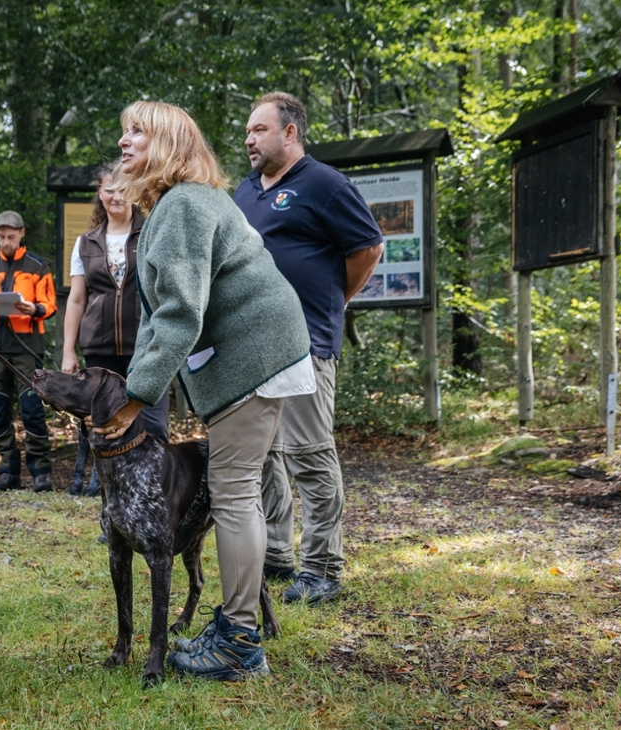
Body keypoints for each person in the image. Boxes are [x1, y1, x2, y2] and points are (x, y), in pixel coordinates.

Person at [94, 101, 314, 681]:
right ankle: (239, 625)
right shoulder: (184, 203)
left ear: (167, 143)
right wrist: (139, 382)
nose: (124, 142)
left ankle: (240, 642)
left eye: (137, 132)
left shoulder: (184, 205)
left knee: (234, 488)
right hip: (262, 352)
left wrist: (135, 397)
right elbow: (158, 318)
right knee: (236, 484)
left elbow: (178, 314)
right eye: (123, 132)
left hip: (256, 354)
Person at [233, 92, 384, 606]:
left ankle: (322, 568)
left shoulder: (324, 183)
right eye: (248, 132)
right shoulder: (245, 191)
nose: (248, 139)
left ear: (290, 132)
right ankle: (277, 553)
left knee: (309, 455)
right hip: (253, 346)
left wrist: (333, 300)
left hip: (306, 342)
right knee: (265, 455)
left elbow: (368, 248)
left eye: (258, 130)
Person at [61, 164, 170, 497]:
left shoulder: (152, 232)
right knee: (105, 430)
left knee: (152, 426)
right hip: (100, 349)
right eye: (109, 189)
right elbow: (77, 300)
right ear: (99, 193)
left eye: (123, 189)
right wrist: (69, 351)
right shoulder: (85, 242)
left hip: (147, 347)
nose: (116, 196)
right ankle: (114, 511)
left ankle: (157, 503)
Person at [0, 211, 57, 493]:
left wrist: (34, 309)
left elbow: (49, 304)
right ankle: (8, 469)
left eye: (10, 236)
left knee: (31, 409)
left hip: (26, 345)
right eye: (1, 236)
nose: (5, 241)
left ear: (21, 233)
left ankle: (41, 470)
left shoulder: (38, 266)